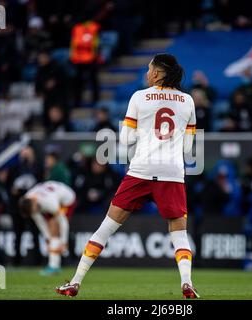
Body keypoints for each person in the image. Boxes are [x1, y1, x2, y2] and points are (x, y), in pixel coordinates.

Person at [56, 53, 200, 299]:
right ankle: (186, 283)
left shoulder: (139, 97)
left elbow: (126, 140)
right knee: (179, 234)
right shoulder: (187, 101)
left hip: (141, 170)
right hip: (172, 173)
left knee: (105, 229)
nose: (146, 73)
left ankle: (75, 283)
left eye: (149, 68)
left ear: (157, 73)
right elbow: (188, 148)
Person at [19, 181, 76, 275]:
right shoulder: (28, 200)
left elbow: (63, 222)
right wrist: (47, 238)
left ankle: (54, 266)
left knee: (54, 228)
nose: (35, 211)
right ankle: (54, 266)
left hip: (67, 200)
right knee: (51, 234)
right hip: (52, 194)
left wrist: (64, 241)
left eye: (35, 209)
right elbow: (39, 221)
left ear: (34, 202)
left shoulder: (50, 202)